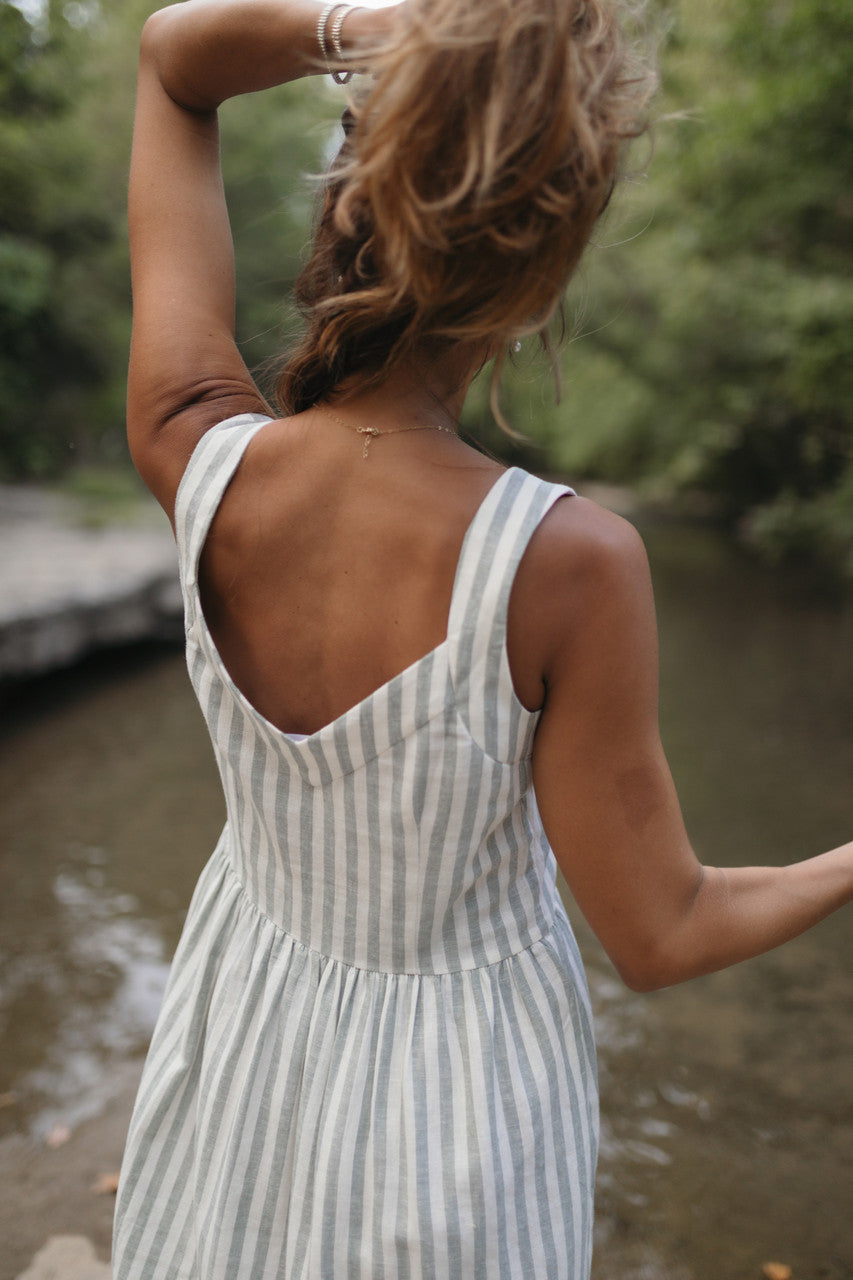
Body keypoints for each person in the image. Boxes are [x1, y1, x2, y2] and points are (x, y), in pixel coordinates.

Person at [112, 0, 853, 1276]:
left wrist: (368, 30)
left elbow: (174, 63)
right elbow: (659, 930)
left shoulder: (195, 447)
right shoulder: (565, 566)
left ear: (346, 193)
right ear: (538, 281)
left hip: (243, 1038)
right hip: (450, 1114)